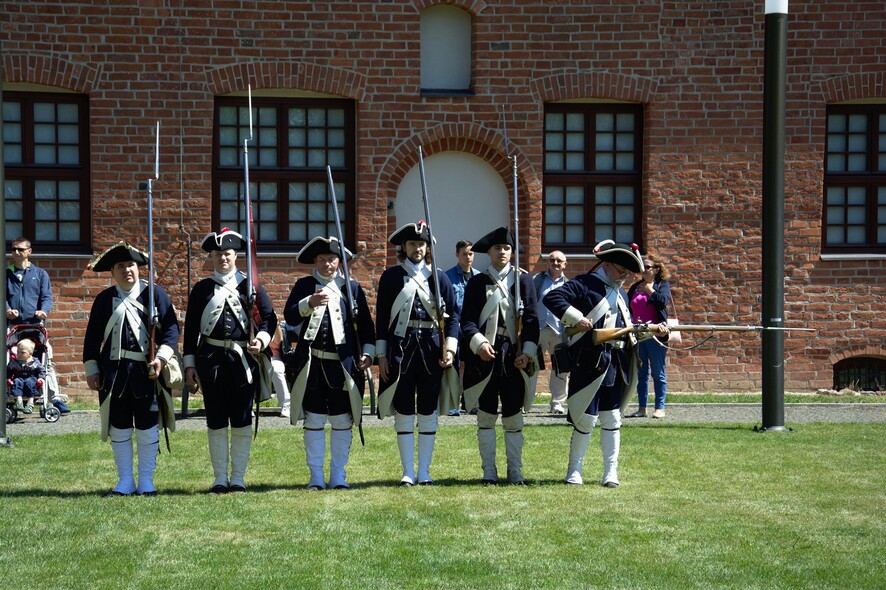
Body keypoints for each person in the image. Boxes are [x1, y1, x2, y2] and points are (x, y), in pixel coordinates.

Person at [542, 240, 668, 487]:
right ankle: (574, 471)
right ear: (608, 265)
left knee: (611, 418)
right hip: (588, 361)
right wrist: (576, 318)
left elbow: (626, 330)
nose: (625, 277)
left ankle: (611, 473)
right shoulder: (584, 283)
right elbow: (553, 298)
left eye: (628, 273)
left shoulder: (621, 293)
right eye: (622, 272)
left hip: (616, 362)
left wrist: (653, 330)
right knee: (585, 419)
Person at [82, 242, 180, 496]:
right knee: (120, 426)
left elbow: (170, 330)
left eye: (132, 265)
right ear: (112, 272)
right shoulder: (104, 300)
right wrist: (92, 368)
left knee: (148, 426)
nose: (128, 270)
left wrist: (161, 358)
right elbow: (92, 338)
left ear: (139, 268)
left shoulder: (155, 294)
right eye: (121, 266)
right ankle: (125, 480)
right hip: (113, 374)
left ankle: (146, 480)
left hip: (147, 372)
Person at [183, 229, 277, 494]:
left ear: (235, 255)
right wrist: (189, 364)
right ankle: (219, 478)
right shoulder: (202, 289)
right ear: (211, 257)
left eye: (227, 253)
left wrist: (260, 339)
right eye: (217, 254)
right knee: (215, 419)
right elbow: (191, 329)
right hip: (210, 360)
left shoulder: (251, 286)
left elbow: (270, 319)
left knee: (241, 417)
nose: (222, 258)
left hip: (242, 362)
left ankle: (238, 478)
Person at [284, 236, 375, 490]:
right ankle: (316, 477)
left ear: (339, 261)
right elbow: (289, 314)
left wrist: (367, 354)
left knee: (341, 421)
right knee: (313, 420)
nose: (327, 264)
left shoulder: (351, 288)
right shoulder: (304, 285)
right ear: (316, 261)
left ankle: (338, 476)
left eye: (332, 259)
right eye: (322, 260)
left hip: (342, 366)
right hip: (312, 366)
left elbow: (367, 326)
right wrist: (308, 303)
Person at [375, 222, 459, 487]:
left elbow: (454, 315)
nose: (418, 248)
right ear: (404, 247)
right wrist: (382, 356)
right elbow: (381, 320)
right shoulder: (390, 277)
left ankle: (424, 470)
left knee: (427, 409)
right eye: (413, 244)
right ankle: (407, 471)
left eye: (422, 244)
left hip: (431, 350)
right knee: (403, 409)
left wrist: (450, 348)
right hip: (401, 349)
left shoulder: (439, 277)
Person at [461, 227, 539, 485]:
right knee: (485, 415)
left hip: (513, 356)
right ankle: (489, 472)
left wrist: (527, 352)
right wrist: (480, 343)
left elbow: (531, 321)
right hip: (486, 355)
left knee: (513, 416)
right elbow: (468, 322)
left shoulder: (523, 280)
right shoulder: (476, 282)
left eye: (507, 248)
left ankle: (515, 471)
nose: (503, 252)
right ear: (489, 252)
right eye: (498, 248)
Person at [5, 237, 68, 413]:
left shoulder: (40, 274)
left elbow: (47, 297)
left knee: (45, 360)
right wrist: (7, 309)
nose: (16, 252)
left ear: (29, 251)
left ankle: (53, 399)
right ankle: (7, 396)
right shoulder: (6, 274)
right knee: (7, 360)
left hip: (35, 325)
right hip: (13, 326)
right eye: (14, 249)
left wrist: (44, 310)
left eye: (20, 249)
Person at [627, 253, 674, 419]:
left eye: (647, 267)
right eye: (642, 267)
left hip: (656, 334)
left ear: (656, 269)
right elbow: (627, 308)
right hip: (639, 335)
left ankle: (659, 407)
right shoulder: (635, 287)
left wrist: (649, 289)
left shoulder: (662, 285)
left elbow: (662, 301)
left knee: (658, 372)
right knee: (641, 373)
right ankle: (642, 408)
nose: (644, 270)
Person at [443, 240, 480, 415]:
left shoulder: (479, 277)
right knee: (454, 365)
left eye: (471, 253)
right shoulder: (447, 277)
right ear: (457, 254)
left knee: (473, 365)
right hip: (454, 328)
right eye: (464, 253)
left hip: (472, 329)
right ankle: (452, 403)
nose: (468, 257)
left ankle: (470, 402)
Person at [530, 251, 569, 414]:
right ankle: (526, 402)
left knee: (561, 368)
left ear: (565, 264)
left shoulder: (568, 284)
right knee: (532, 366)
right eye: (552, 260)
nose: (556, 263)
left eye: (559, 260)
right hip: (538, 329)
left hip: (559, 331)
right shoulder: (537, 280)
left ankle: (557, 403)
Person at [7, 338, 45, 414]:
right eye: (17, 352)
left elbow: (42, 370)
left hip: (31, 377)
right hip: (19, 377)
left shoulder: (35, 362)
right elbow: (9, 370)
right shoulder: (15, 362)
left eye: (22, 352)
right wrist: (8, 378)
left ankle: (30, 402)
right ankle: (19, 401)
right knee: (17, 381)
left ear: (30, 354)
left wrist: (41, 378)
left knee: (30, 382)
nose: (19, 354)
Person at [268, 324, 291, 418]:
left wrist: (276, 324)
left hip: (274, 357)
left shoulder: (275, 326)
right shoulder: (253, 323)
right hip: (257, 357)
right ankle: (247, 407)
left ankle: (286, 405)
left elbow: (278, 341)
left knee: (276, 370)